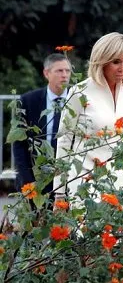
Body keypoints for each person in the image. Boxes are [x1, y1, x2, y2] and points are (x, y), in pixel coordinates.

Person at [53, 32, 123, 202]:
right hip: (84, 183)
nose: (122, 68)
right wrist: (60, 194)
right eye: (116, 62)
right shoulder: (79, 91)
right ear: (102, 61)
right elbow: (65, 141)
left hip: (118, 185)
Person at [13, 53, 71, 195]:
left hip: (69, 178)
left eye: (67, 71)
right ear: (46, 73)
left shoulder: (78, 100)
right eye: (59, 71)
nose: (64, 75)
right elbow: (19, 143)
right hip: (36, 178)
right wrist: (27, 180)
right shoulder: (28, 101)